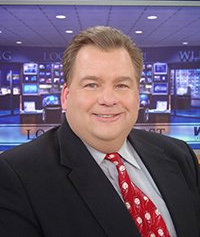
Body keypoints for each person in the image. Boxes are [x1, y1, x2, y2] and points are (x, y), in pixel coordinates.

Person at [0, 26, 199, 237]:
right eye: (92, 85)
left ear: (137, 95)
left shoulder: (179, 155)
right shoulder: (16, 176)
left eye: (121, 85)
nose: (108, 99)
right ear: (65, 96)